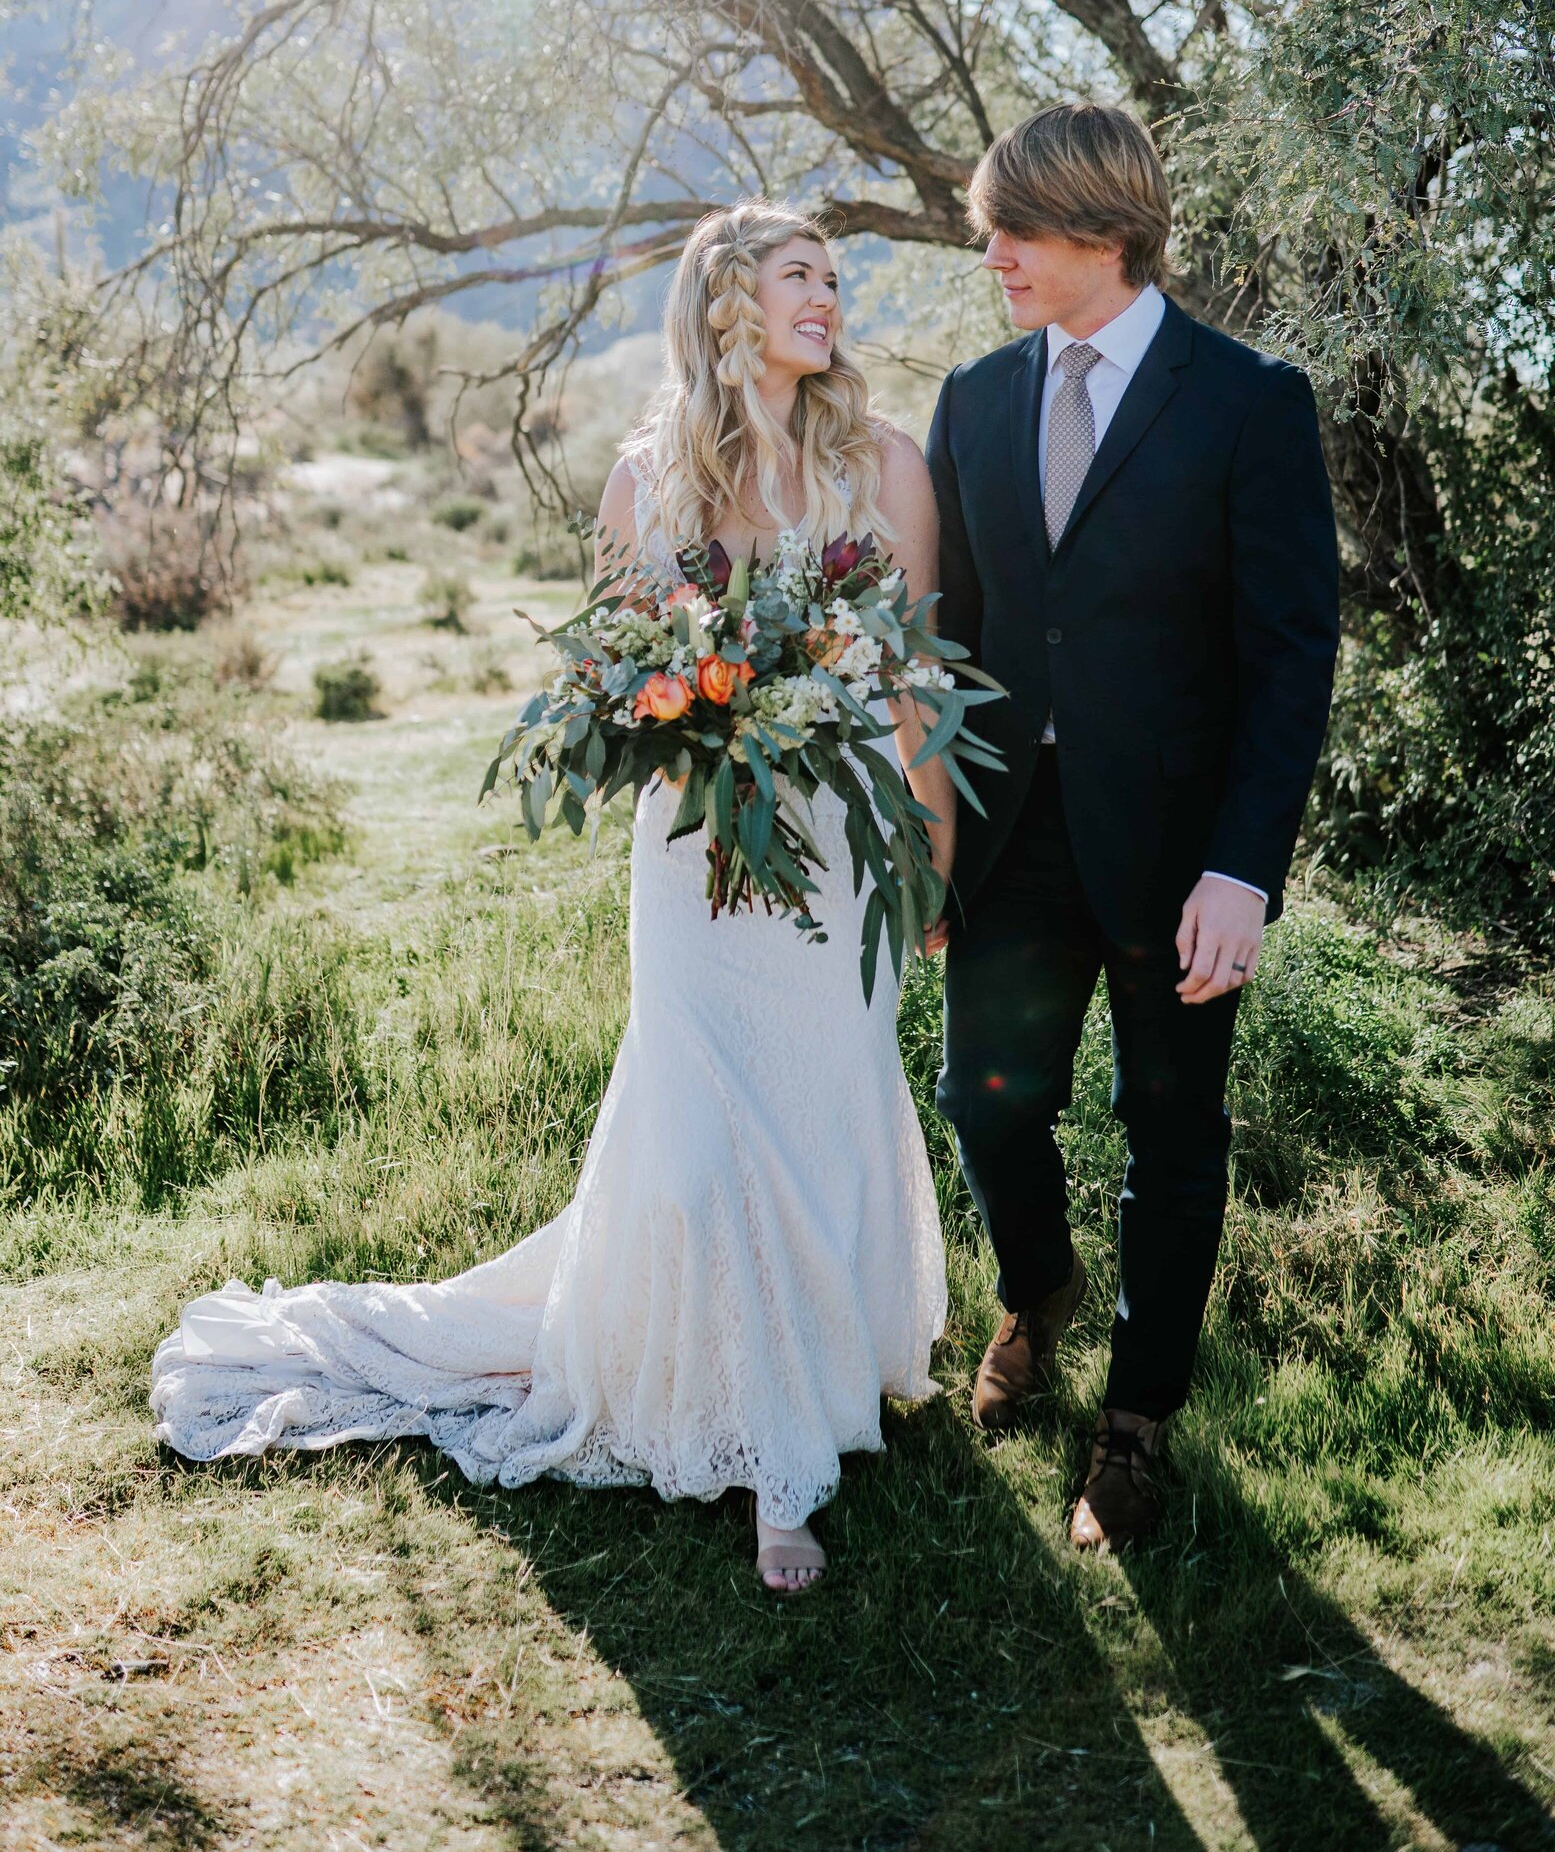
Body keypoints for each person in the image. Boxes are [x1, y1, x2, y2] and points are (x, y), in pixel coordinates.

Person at [151, 201, 953, 1596]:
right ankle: (776, 1462)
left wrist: (927, 855)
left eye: (834, 275)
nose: (830, 297)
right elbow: (617, 682)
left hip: (838, 845)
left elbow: (917, 679)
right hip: (696, 850)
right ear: (727, 307)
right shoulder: (650, 485)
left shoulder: (887, 465)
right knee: (706, 1145)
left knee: (822, 1114)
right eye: (801, 276)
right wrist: (696, 719)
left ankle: (812, 1383)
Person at [926, 102, 1339, 1552]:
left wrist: (1245, 870)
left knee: (1170, 1134)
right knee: (986, 1101)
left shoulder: (1245, 402)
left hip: (1180, 855)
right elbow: (954, 637)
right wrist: (929, 844)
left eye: (1016, 231)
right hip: (1010, 834)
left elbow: (1292, 654)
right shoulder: (973, 404)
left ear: (1105, 230)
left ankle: (1137, 1427)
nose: (995, 257)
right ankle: (1032, 1293)